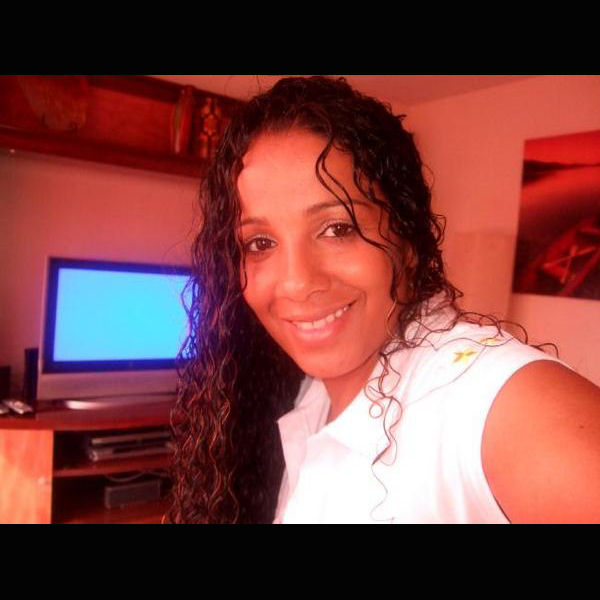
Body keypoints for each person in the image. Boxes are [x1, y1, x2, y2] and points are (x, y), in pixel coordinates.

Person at [165, 76, 600, 524]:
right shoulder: (307, 395)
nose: (296, 283)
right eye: (260, 243)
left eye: (338, 229)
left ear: (406, 243)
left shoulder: (486, 402)